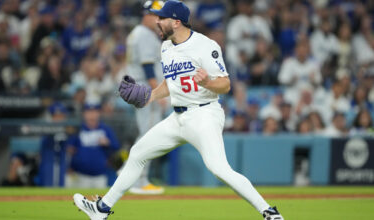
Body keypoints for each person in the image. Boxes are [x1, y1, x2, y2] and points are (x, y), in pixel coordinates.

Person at [73, 1, 284, 220]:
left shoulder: (205, 45)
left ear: (176, 22)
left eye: (162, 18)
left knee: (219, 169)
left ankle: (269, 211)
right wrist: (150, 95)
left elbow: (225, 84)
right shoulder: (166, 46)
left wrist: (208, 83)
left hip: (203, 115)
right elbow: (171, 83)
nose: (157, 21)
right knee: (137, 153)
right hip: (178, 118)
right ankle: (102, 209)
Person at [122, 0, 165, 195]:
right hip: (145, 87)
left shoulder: (136, 33)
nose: (158, 20)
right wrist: (158, 93)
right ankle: (138, 179)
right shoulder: (146, 34)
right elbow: (148, 67)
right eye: (156, 16)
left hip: (137, 85)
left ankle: (127, 172)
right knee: (148, 135)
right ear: (146, 15)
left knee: (146, 132)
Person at [66, 103, 120, 188]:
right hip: (80, 175)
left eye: (94, 112)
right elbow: (69, 148)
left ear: (99, 114)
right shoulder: (78, 129)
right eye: (89, 112)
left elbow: (116, 147)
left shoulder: (106, 129)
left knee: (99, 199)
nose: (92, 115)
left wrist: (107, 143)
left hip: (100, 175)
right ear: (84, 114)